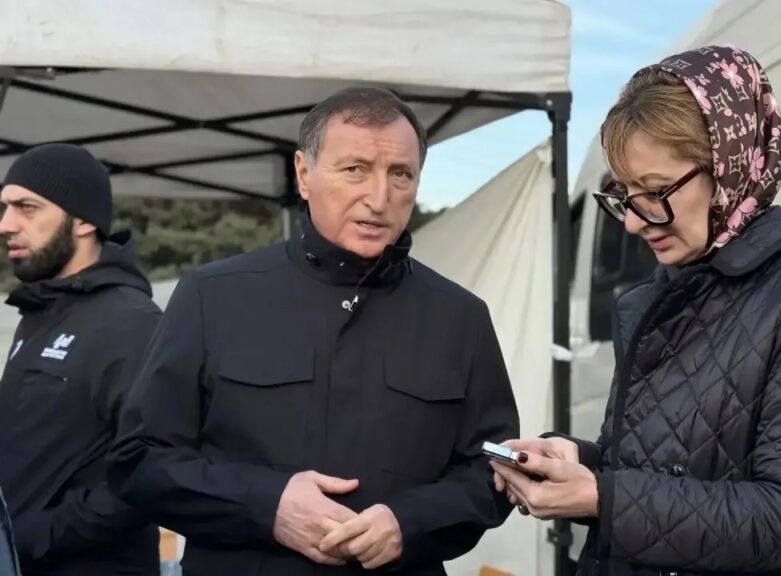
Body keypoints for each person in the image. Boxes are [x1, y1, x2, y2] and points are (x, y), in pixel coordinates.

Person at [490, 46, 781, 575]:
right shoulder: (654, 299)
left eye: (655, 192)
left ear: (730, 167)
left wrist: (603, 496)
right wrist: (579, 463)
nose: (634, 222)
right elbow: (655, 466)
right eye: (625, 193)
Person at [108, 87, 519, 575]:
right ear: (304, 175)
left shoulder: (460, 318)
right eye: (355, 170)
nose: (379, 198)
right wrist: (267, 506)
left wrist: (409, 523)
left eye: (400, 174)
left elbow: (494, 472)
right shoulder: (212, 297)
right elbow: (140, 460)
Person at [0, 143, 162, 575]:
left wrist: (35, 536)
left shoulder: (129, 322)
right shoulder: (38, 312)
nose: (6, 224)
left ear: (85, 220)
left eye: (27, 207)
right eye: (5, 207)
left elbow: (151, 468)